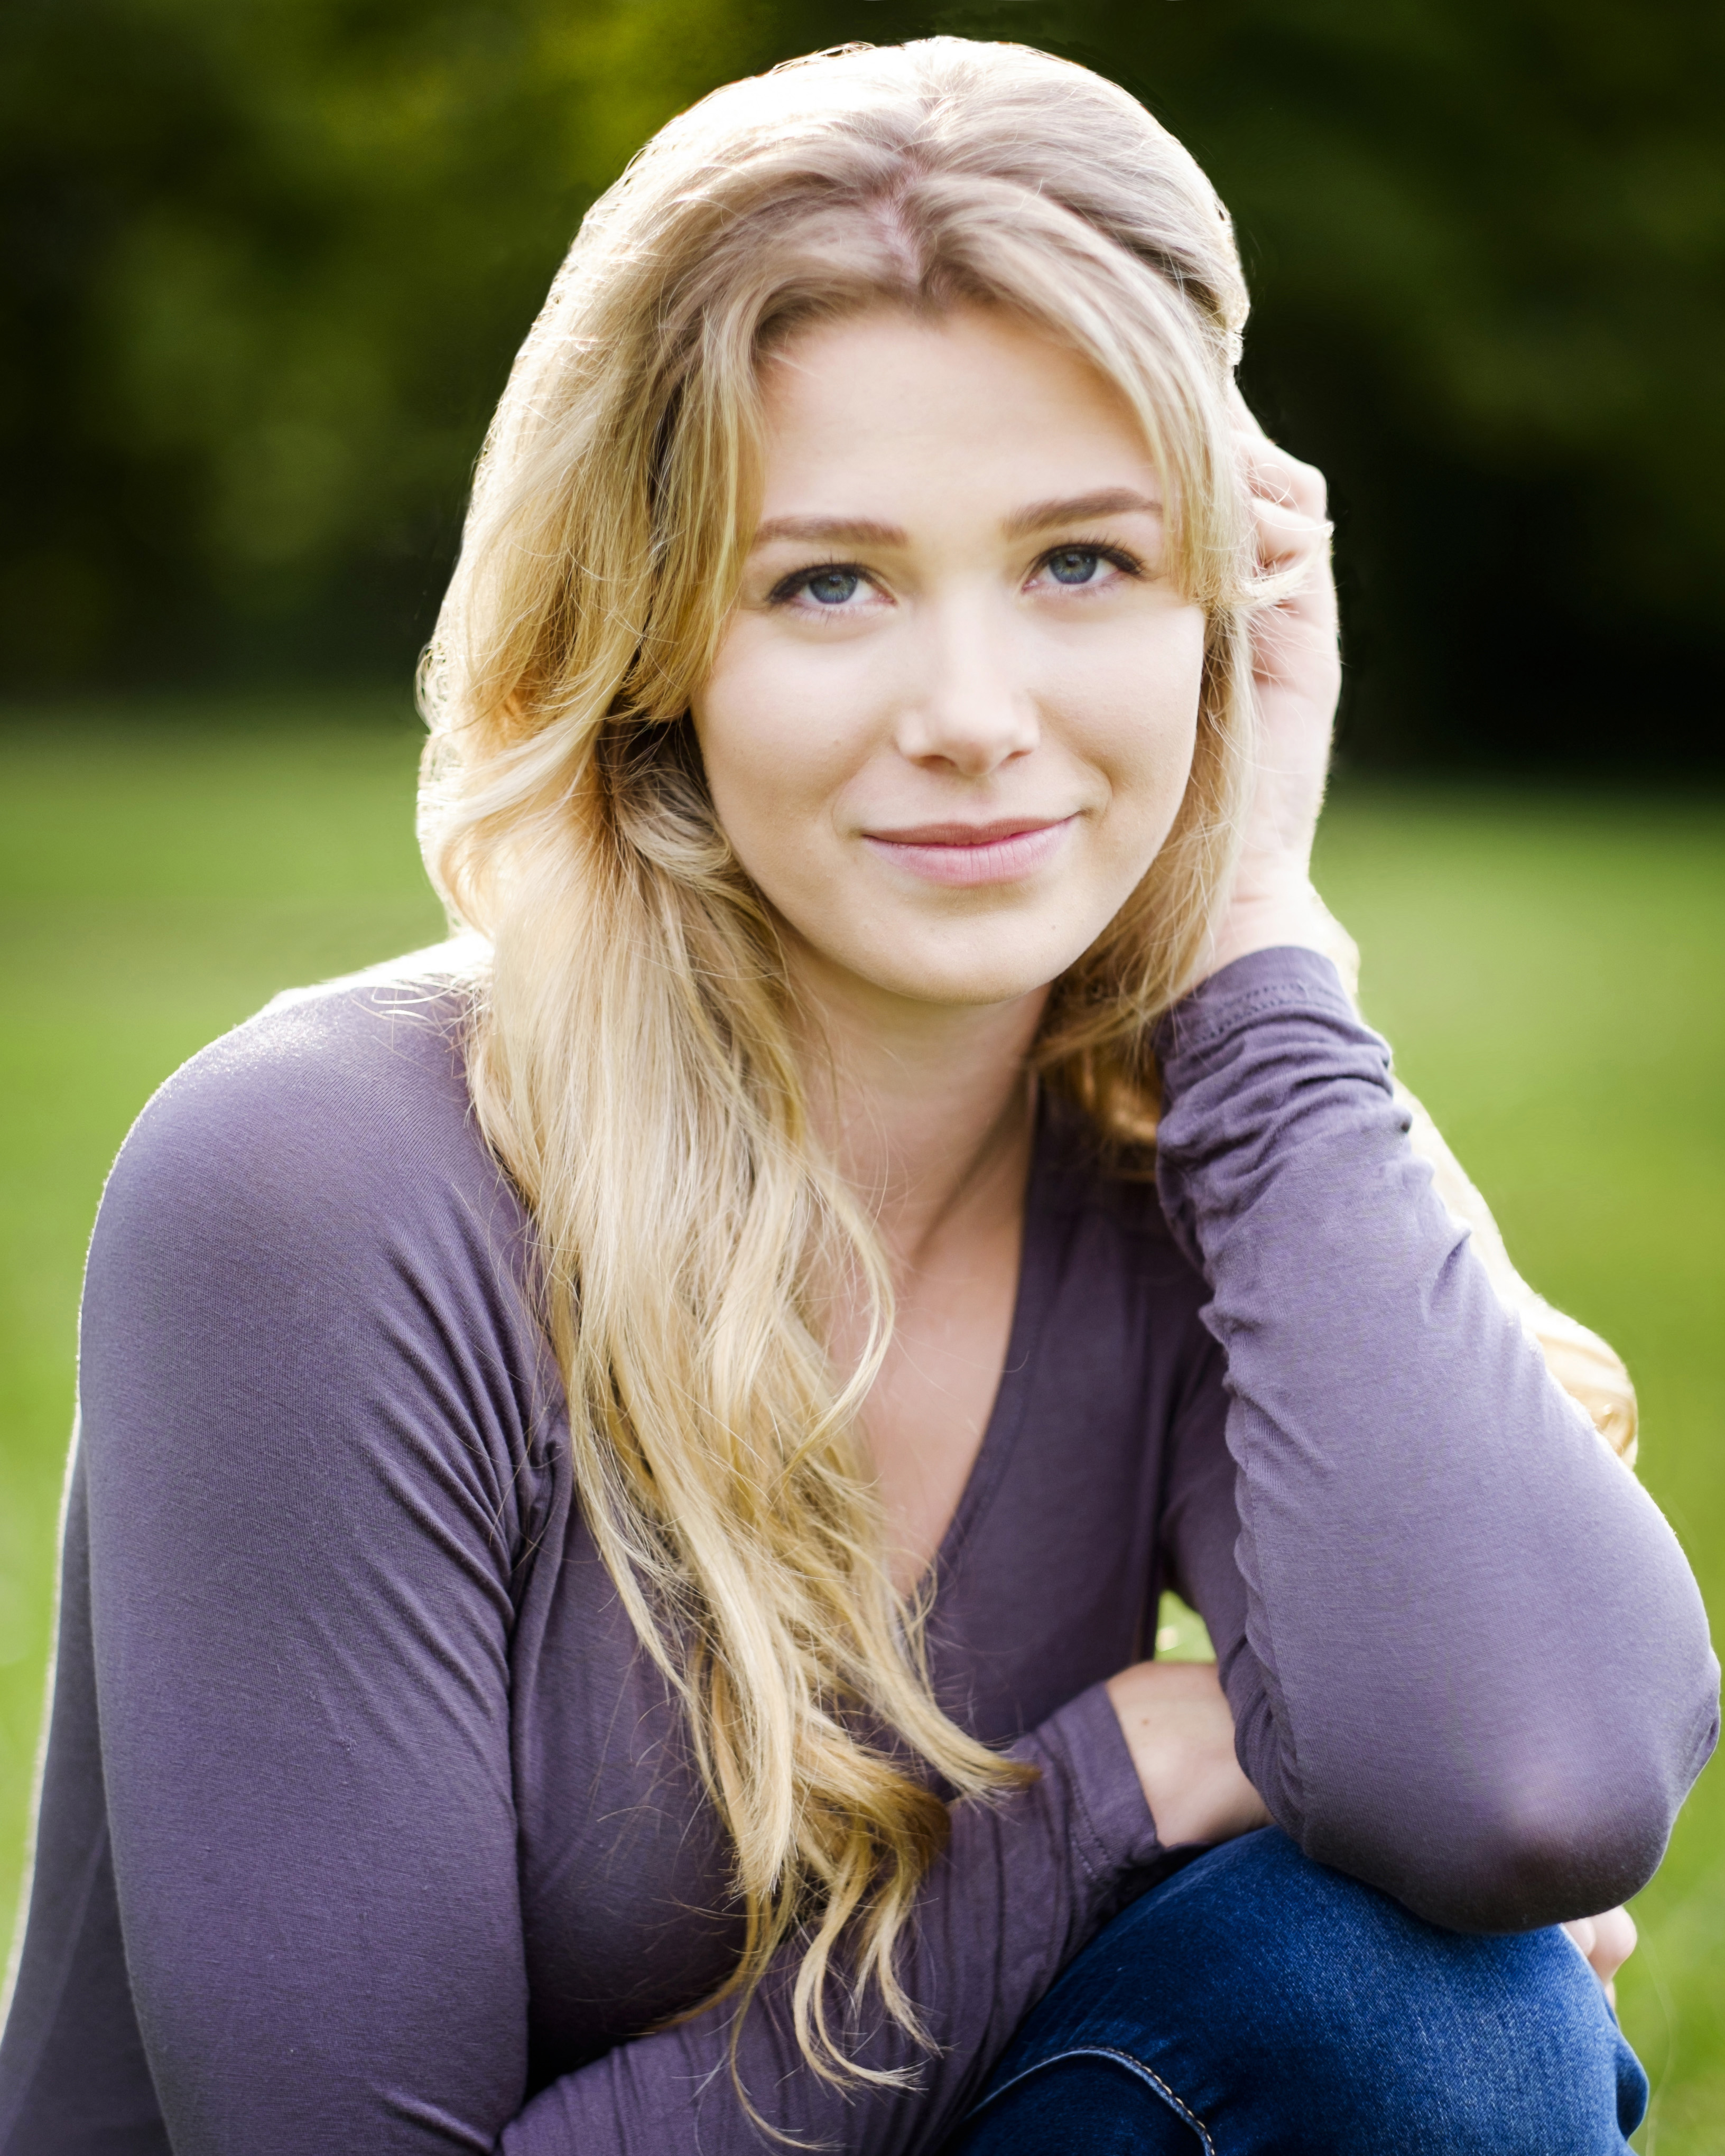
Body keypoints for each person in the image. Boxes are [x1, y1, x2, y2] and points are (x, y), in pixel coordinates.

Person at [1, 38, 1715, 2156]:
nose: (977, 719)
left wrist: (1266, 938)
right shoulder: (314, 1193)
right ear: (655, 646)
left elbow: (1533, 1778)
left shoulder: (1180, 1169)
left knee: (1417, 1999)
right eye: (829, 584)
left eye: (1084, 562)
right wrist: (1114, 1791)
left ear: (1231, 610)